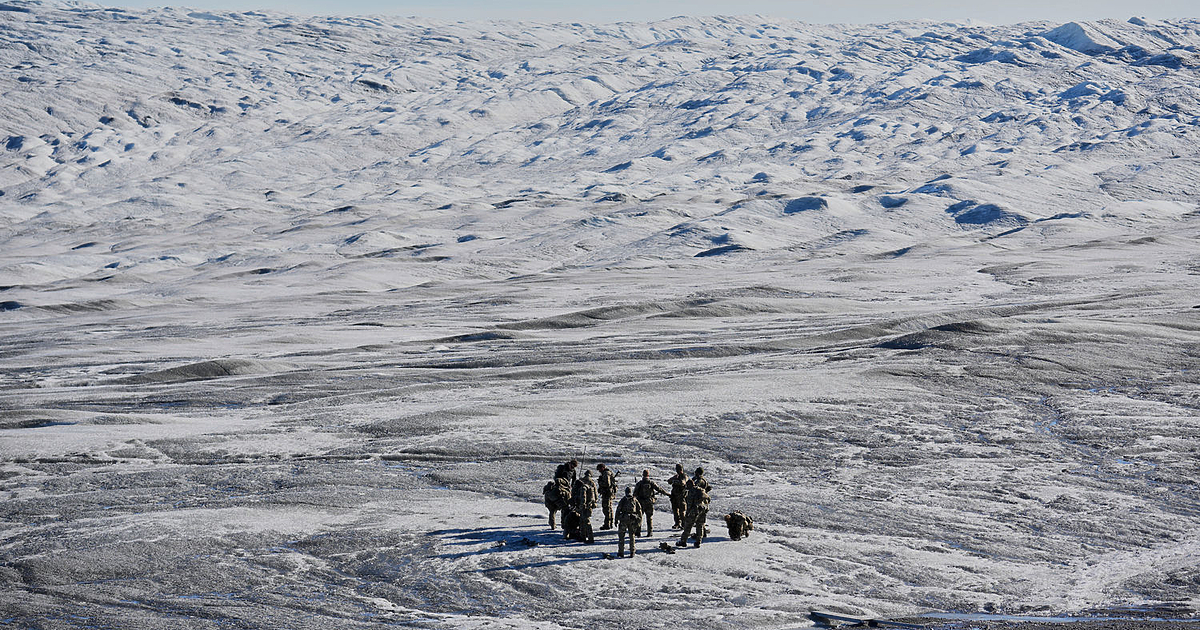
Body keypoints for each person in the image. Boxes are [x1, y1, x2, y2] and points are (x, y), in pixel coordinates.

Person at [633, 469, 670, 536]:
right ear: (648, 475)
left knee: (639, 517)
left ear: (643, 475)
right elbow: (659, 489)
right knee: (649, 518)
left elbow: (634, 494)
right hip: (649, 502)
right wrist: (667, 494)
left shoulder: (639, 483)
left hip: (641, 503)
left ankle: (638, 532)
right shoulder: (651, 482)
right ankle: (650, 532)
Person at [677, 479, 711, 548]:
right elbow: (708, 498)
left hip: (694, 511)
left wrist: (687, 513)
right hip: (702, 510)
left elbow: (689, 504)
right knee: (700, 526)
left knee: (688, 526)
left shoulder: (690, 492)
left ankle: (683, 541)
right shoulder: (701, 490)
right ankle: (698, 542)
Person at [615, 486, 642, 558]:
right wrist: (639, 521)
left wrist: (616, 519)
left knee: (621, 537)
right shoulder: (635, 500)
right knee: (632, 536)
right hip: (632, 520)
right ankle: (632, 552)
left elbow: (618, 510)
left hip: (623, 520)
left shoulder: (623, 500)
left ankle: (621, 552)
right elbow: (639, 511)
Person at [575, 469, 598, 544]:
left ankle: (588, 538)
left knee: (584, 521)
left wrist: (581, 505)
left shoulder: (582, 484)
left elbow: (583, 497)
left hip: (584, 505)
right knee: (584, 520)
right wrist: (595, 502)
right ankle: (584, 537)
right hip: (589, 505)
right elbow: (595, 494)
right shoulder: (592, 483)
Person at [667, 463, 689, 529]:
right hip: (674, 496)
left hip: (681, 496)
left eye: (679, 469)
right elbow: (669, 481)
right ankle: (677, 523)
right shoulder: (676, 476)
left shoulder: (684, 476)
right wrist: (674, 479)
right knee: (675, 511)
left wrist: (675, 481)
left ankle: (684, 524)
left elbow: (683, 483)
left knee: (682, 512)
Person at [596, 464, 618, 530]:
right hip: (608, 493)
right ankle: (610, 523)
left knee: (606, 509)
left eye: (599, 469)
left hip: (607, 494)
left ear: (603, 468)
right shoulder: (607, 472)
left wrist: (600, 482)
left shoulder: (606, 473)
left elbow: (607, 484)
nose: (599, 471)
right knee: (609, 508)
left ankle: (607, 524)